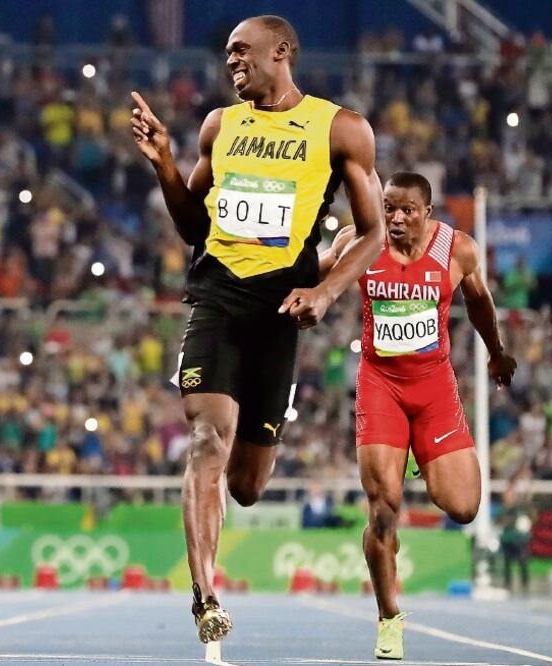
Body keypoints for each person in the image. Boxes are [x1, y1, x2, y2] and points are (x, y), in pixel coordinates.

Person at [130, 15, 384, 644]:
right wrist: (164, 162)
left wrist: (325, 291)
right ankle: (205, 595)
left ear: (283, 51)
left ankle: (218, 546)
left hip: (281, 310)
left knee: (246, 485)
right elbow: (193, 225)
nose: (232, 62)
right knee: (206, 441)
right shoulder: (220, 125)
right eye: (226, 54)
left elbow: (373, 230)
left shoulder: (341, 129)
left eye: (242, 51)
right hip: (216, 299)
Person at [320, 171, 517, 660]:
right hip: (380, 384)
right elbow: (315, 272)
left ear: (427, 212)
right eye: (389, 207)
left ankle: (418, 455)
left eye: (408, 209)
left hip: (433, 389)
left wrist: (496, 351)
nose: (396, 218)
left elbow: (478, 301)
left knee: (464, 506)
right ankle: (389, 618)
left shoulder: (458, 249)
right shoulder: (360, 241)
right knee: (383, 510)